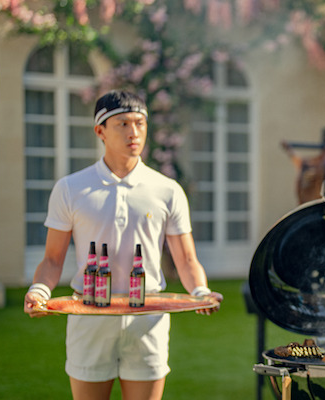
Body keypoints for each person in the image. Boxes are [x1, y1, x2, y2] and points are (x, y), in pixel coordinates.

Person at [23, 90, 224, 400]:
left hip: (148, 319)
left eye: (140, 123)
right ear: (100, 131)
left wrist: (200, 292)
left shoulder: (167, 190)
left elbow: (186, 259)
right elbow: (52, 259)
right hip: (89, 315)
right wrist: (39, 292)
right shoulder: (70, 188)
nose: (134, 132)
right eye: (123, 123)